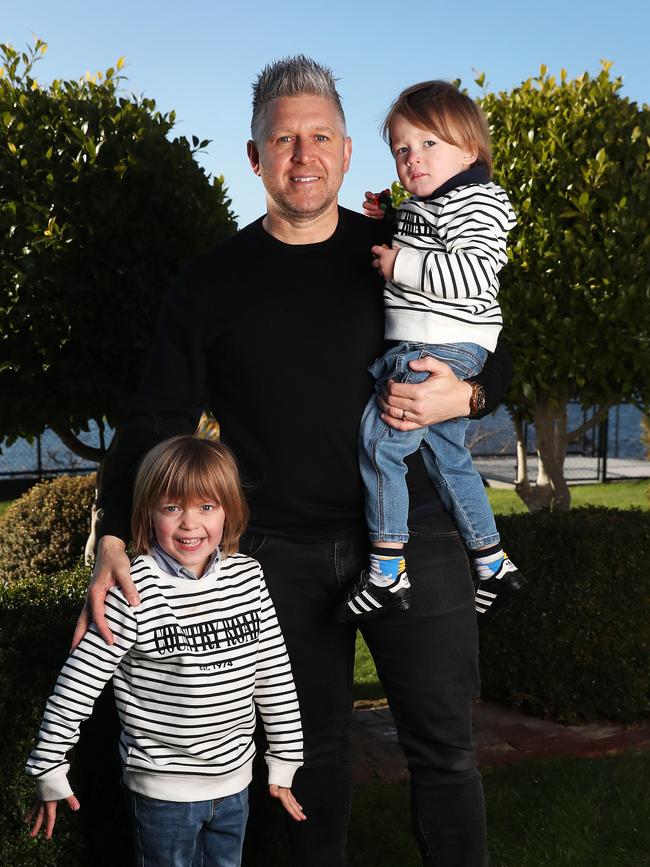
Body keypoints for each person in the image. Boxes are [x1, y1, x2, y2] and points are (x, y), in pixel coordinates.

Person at [77, 56, 514, 866]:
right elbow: (156, 419)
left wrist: (470, 398)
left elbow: (498, 343)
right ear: (255, 157)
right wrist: (111, 536)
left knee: (448, 755)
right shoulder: (208, 283)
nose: (303, 155)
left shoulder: (404, 247)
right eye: (283, 139)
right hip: (278, 558)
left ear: (348, 152)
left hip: (419, 538)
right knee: (304, 768)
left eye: (320, 137)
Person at [25, 436, 304, 866]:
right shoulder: (132, 589)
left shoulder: (249, 577)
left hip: (235, 786)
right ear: (148, 512)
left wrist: (284, 759)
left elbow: (273, 673)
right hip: (162, 797)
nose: (190, 524)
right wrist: (48, 766)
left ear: (229, 509)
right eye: (173, 507)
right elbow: (77, 684)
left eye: (207, 507)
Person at [337, 81, 525, 625]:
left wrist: (401, 266)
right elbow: (426, 236)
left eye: (428, 144)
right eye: (402, 149)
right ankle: (493, 564)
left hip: (436, 345)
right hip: (442, 342)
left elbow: (470, 272)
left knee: (381, 445)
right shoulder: (438, 202)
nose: (413, 158)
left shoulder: (478, 201)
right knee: (449, 458)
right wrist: (385, 220)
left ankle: (387, 572)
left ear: (471, 150)